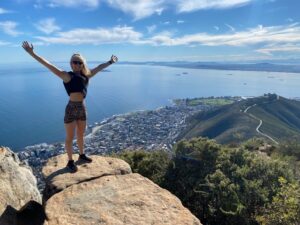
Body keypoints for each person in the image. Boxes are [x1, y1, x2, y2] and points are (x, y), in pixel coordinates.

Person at [22, 41, 118, 173]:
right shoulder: (66, 76)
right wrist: (32, 53)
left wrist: (110, 62)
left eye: (79, 62)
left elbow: (99, 67)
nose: (77, 64)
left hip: (82, 108)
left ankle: (82, 155)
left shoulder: (87, 75)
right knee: (69, 137)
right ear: (71, 63)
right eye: (74, 62)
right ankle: (70, 161)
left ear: (82, 64)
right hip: (71, 108)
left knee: (81, 134)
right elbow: (48, 64)